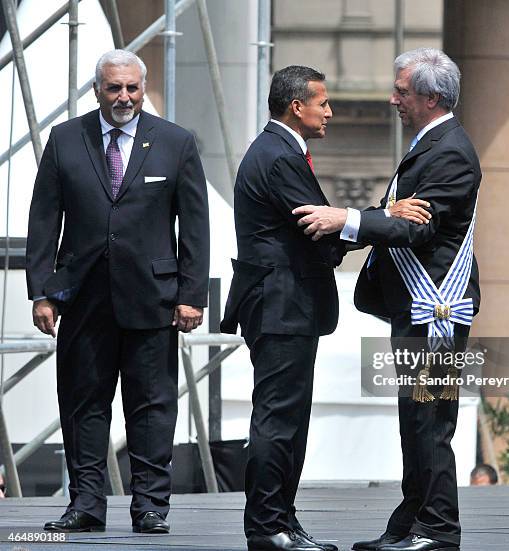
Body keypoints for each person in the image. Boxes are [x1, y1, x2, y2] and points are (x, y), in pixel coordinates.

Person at [220, 65, 427, 551]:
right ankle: (267, 525)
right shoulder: (278, 157)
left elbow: (328, 229)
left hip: (288, 306)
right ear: (297, 107)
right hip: (280, 306)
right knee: (278, 419)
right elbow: (321, 232)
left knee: (289, 420)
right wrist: (385, 216)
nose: (330, 112)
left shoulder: (281, 152)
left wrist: (356, 224)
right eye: (323, 103)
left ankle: (283, 521)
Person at [294, 48, 481, 551]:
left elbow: (414, 228)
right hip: (415, 308)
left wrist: (344, 219)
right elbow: (396, 212)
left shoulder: (450, 151)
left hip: (436, 305)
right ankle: (413, 518)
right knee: (415, 418)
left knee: (430, 420)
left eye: (402, 90)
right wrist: (367, 218)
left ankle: (437, 528)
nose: (393, 98)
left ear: (431, 96)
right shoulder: (429, 144)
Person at [26, 49, 209, 534]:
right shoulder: (66, 139)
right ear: (97, 90)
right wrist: (41, 291)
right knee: (84, 403)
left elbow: (195, 226)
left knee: (152, 406)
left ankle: (150, 505)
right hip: (81, 296)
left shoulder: (175, 142)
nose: (124, 96)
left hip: (153, 298)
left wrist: (193, 295)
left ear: (143, 88)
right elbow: (44, 220)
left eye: (132, 87)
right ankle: (86, 504)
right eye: (114, 88)